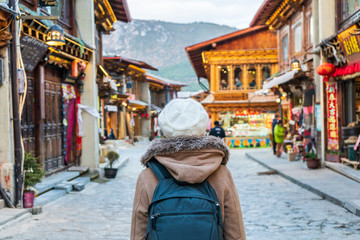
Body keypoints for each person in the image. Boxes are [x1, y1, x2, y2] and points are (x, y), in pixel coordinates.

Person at [130, 98, 246, 240]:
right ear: (203, 127)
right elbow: (235, 231)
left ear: (165, 129)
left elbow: (138, 232)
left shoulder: (148, 176)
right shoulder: (221, 173)